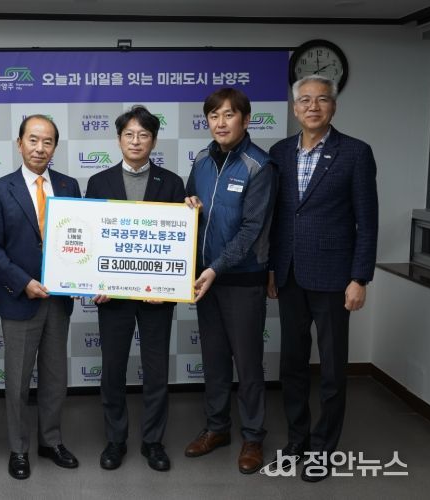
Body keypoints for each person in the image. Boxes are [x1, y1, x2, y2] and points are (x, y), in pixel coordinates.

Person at [267, 74, 378, 482]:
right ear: (295, 107)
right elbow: (279, 218)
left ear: (333, 106)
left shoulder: (355, 153)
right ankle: (297, 440)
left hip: (335, 279)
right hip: (290, 275)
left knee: (331, 370)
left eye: (322, 100)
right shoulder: (279, 152)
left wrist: (359, 277)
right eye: (305, 100)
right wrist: (273, 268)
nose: (313, 107)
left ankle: (322, 450)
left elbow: (367, 222)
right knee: (292, 366)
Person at [0, 115, 81, 480]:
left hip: (58, 299)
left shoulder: (69, 185)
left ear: (55, 147)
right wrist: (23, 282)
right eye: (33, 140)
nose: (40, 148)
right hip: (20, 298)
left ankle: (51, 441)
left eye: (47, 142)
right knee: (18, 381)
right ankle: (18, 448)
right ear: (19, 143)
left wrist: (83, 276)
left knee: (55, 378)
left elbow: (82, 237)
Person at [85, 106, 186, 472]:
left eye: (143, 135)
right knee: (112, 370)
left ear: (154, 141)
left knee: (156, 371)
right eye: (129, 134)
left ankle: (153, 441)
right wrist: (95, 282)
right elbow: (91, 238)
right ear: (118, 140)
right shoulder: (99, 182)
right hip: (113, 296)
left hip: (156, 296)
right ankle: (115, 440)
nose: (136, 141)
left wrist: (169, 287)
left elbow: (180, 242)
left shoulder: (172, 183)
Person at [183, 88, 275, 474]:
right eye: (213, 116)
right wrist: (189, 205)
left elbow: (253, 229)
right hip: (206, 280)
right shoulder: (202, 161)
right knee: (214, 360)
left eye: (228, 115)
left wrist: (215, 267)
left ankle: (253, 437)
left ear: (246, 119)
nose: (220, 123)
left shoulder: (259, 166)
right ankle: (217, 428)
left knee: (248, 363)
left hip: (242, 279)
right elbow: (190, 206)